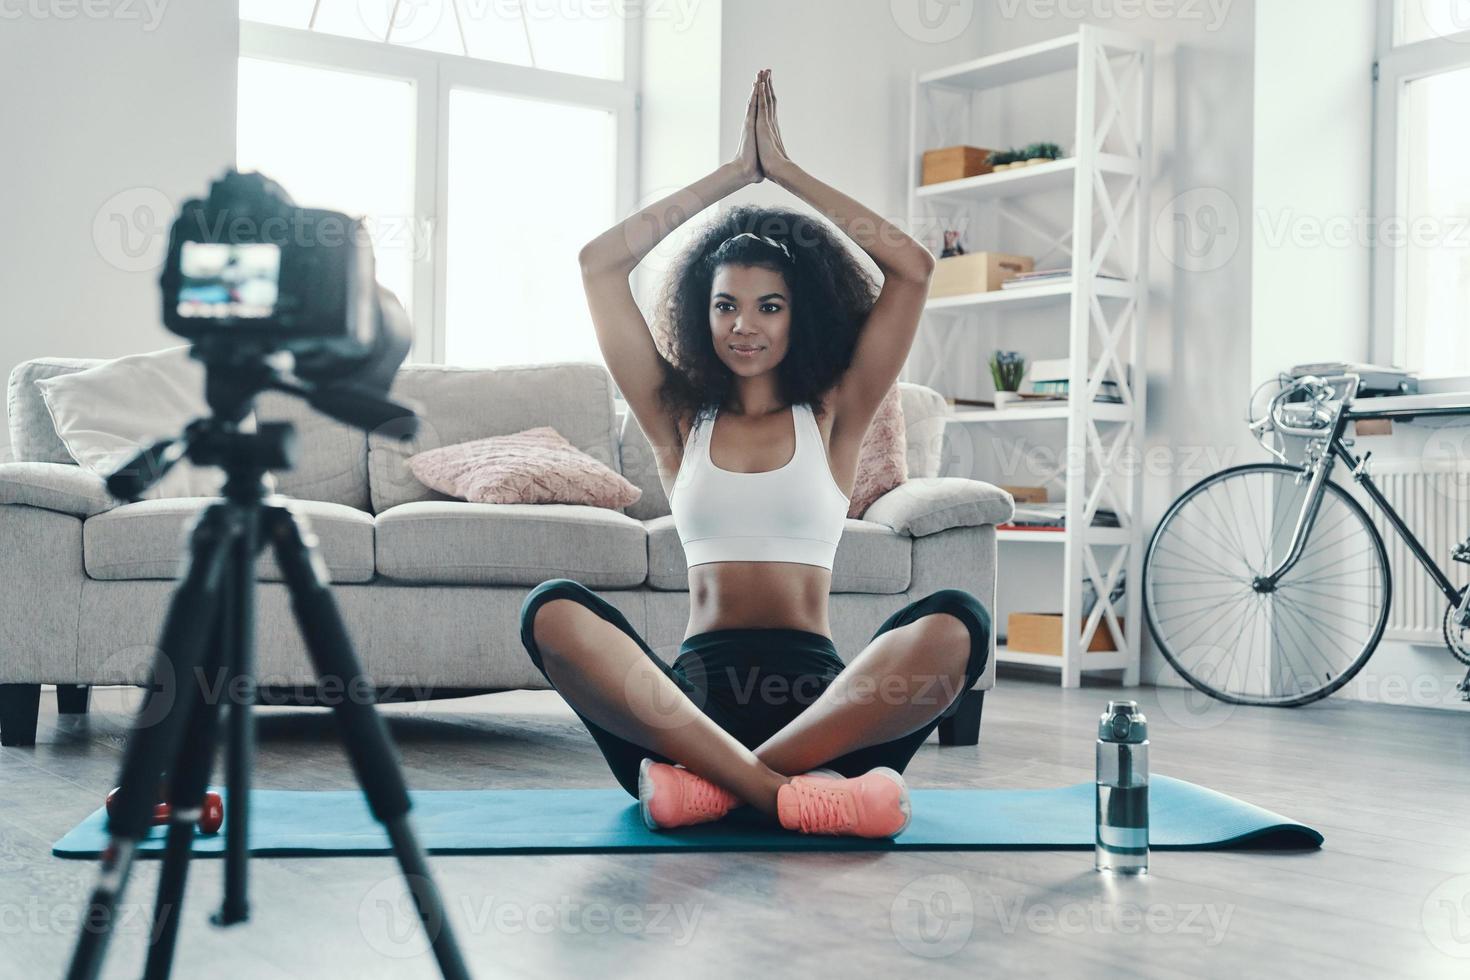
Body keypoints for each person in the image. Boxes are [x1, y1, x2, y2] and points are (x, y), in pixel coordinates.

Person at [519, 69, 991, 839]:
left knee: (957, 624)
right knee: (554, 610)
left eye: (769, 306)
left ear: (798, 316)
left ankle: (717, 789)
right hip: (687, 706)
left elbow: (912, 268)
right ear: (699, 313)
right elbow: (599, 265)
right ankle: (783, 795)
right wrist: (735, 176)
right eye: (726, 305)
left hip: (820, 706)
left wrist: (787, 175)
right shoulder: (678, 419)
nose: (746, 325)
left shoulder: (835, 414)